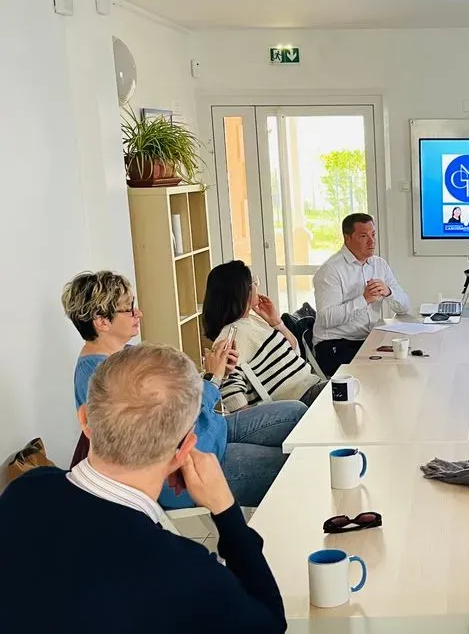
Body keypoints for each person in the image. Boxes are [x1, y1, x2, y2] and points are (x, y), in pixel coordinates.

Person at [0, 344, 287, 634]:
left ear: (85, 419)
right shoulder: (180, 569)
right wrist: (226, 510)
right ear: (185, 448)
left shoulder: (23, 489)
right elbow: (268, 625)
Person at [62, 271, 306, 507]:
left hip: (206, 434)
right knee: (295, 468)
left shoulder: (126, 354)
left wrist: (218, 372)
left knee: (296, 414)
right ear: (102, 321)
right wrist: (212, 380)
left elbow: (178, 398)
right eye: (129, 308)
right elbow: (166, 427)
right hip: (185, 467)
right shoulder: (98, 376)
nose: (139, 313)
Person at [202, 260, 326, 410]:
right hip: (299, 400)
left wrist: (277, 323)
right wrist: (261, 419)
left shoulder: (251, 320)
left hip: (310, 387)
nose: (257, 285)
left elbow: (294, 353)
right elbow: (229, 389)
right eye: (253, 282)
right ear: (242, 291)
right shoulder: (231, 335)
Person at [312, 213, 410, 375]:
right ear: (347, 238)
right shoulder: (330, 270)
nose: (371, 241)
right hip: (335, 344)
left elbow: (405, 307)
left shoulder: (379, 264)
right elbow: (326, 319)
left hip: (367, 338)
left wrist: (389, 291)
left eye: (373, 235)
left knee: (407, 357)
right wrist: (364, 299)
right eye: (364, 236)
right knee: (388, 371)